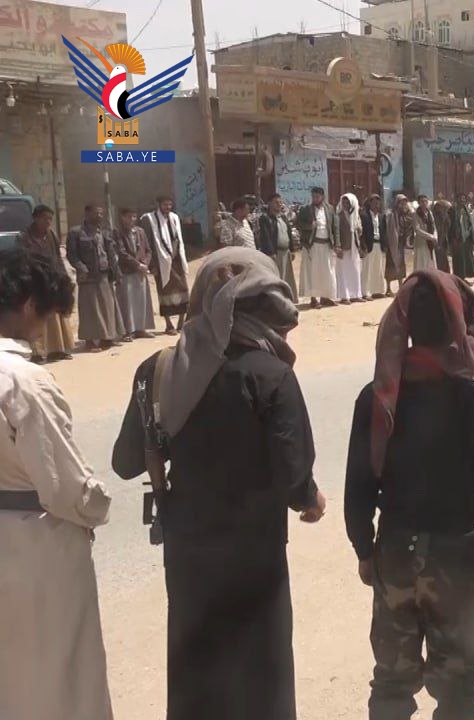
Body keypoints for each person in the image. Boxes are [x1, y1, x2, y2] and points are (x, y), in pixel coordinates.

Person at [111, 247, 326, 720]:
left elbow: (125, 462)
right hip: (256, 556)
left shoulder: (159, 368)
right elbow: (295, 482)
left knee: (196, 674)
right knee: (261, 676)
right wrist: (313, 501)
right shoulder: (272, 374)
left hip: (188, 553)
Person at [344, 269, 474, 720]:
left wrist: (365, 549)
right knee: (458, 687)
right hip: (456, 561)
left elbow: (359, 483)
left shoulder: (378, 397)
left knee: (391, 684)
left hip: (395, 553)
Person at [0, 248, 112, 720]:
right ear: (28, 306)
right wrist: (98, 508)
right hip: (36, 546)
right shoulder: (24, 383)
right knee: (58, 678)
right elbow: (67, 488)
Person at [18, 206, 76, 362]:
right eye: (45, 218)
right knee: (38, 316)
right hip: (35, 281)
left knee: (55, 316)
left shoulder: (51, 235)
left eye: (50, 219)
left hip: (53, 279)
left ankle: (56, 350)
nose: (48, 222)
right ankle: (37, 353)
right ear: (36, 218)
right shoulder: (25, 237)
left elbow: (57, 257)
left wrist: (63, 276)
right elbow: (24, 260)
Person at [66, 203, 123, 351]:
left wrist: (117, 273)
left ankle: (106, 338)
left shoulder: (104, 232)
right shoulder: (76, 232)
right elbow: (72, 255)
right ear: (87, 214)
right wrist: (81, 267)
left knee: (107, 308)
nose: (100, 216)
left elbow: (110, 254)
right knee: (89, 310)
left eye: (101, 214)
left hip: (104, 275)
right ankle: (90, 341)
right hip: (88, 278)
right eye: (96, 213)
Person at [143, 194, 190, 332]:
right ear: (158, 205)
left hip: (176, 261)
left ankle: (181, 322)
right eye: (165, 205)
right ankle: (169, 324)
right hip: (160, 262)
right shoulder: (149, 219)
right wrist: (152, 265)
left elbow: (179, 239)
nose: (168, 207)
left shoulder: (174, 217)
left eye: (170, 204)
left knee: (183, 290)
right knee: (164, 292)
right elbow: (148, 242)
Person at [114, 207, 157, 339]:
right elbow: (122, 253)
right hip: (127, 271)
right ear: (122, 218)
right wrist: (138, 265)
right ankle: (128, 331)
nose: (132, 220)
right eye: (129, 217)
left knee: (142, 302)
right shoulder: (117, 232)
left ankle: (141, 329)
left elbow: (149, 250)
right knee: (127, 302)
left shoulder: (140, 232)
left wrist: (145, 264)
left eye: (134, 217)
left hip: (141, 271)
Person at [296, 186, 339, 309]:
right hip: (313, 245)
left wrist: (337, 244)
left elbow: (335, 228)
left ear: (322, 197)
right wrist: (309, 226)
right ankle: (314, 299)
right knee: (313, 273)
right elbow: (298, 223)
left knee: (327, 272)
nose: (315, 199)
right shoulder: (305, 210)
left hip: (327, 245)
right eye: (313, 196)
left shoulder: (330, 209)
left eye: (317, 196)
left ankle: (325, 297)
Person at [258, 194, 300, 301]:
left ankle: (287, 299)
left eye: (280, 202)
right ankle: (276, 300)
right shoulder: (265, 218)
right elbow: (266, 236)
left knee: (287, 277)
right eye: (276, 202)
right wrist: (271, 253)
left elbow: (289, 234)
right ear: (269, 204)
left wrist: (292, 249)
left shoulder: (283, 217)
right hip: (275, 253)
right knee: (276, 277)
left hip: (286, 252)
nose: (279, 204)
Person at [333, 193, 365, 304]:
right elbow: (336, 232)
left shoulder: (355, 216)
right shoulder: (338, 216)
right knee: (343, 271)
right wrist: (338, 247)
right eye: (344, 202)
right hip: (344, 247)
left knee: (355, 271)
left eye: (348, 202)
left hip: (354, 247)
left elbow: (359, 231)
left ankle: (355, 294)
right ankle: (344, 296)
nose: (345, 204)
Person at [359, 195, 391, 299]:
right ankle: (366, 292)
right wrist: (363, 246)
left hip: (379, 245)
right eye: (374, 202)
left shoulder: (382, 216)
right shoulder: (364, 216)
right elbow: (362, 233)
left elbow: (384, 232)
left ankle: (377, 291)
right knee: (367, 269)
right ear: (370, 203)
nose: (376, 205)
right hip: (369, 245)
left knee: (379, 269)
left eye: (378, 203)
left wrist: (385, 245)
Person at [449, 193, 474, 280]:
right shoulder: (452, 210)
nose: (463, 200)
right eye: (461, 198)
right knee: (459, 260)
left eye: (464, 199)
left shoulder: (466, 210)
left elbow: (470, 223)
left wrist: (471, 236)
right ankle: (459, 279)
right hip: (457, 239)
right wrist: (452, 239)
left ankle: (464, 278)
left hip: (466, 238)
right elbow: (450, 225)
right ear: (457, 200)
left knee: (466, 259)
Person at [412, 195, 439, 274]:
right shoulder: (415, 214)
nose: (424, 203)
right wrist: (430, 236)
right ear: (419, 203)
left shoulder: (430, 213)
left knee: (431, 265)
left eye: (425, 201)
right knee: (421, 266)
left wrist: (435, 236)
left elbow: (434, 227)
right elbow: (417, 230)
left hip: (430, 244)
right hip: (421, 243)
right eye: (422, 201)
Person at [431, 197, 454, 274]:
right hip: (436, 240)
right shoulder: (433, 216)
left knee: (443, 259)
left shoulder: (445, 217)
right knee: (438, 259)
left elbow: (447, 227)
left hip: (443, 240)